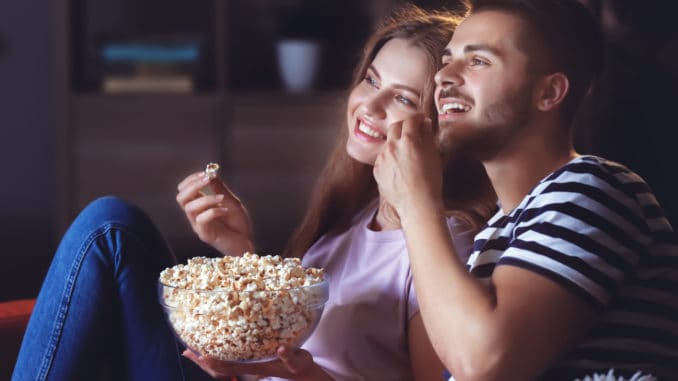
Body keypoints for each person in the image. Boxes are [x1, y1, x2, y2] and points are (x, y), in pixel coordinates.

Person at [12, 5, 496, 381]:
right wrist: (239, 252)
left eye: (403, 98)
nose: (370, 103)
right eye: (371, 79)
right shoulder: (355, 214)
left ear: (441, 127)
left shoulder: (442, 241)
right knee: (115, 230)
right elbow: (276, 349)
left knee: (110, 229)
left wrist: (309, 376)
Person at [372, 0, 678, 380]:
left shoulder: (593, 189)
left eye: (478, 61)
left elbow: (485, 363)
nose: (444, 77)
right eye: (447, 59)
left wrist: (415, 200)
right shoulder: (499, 231)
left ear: (549, 93)